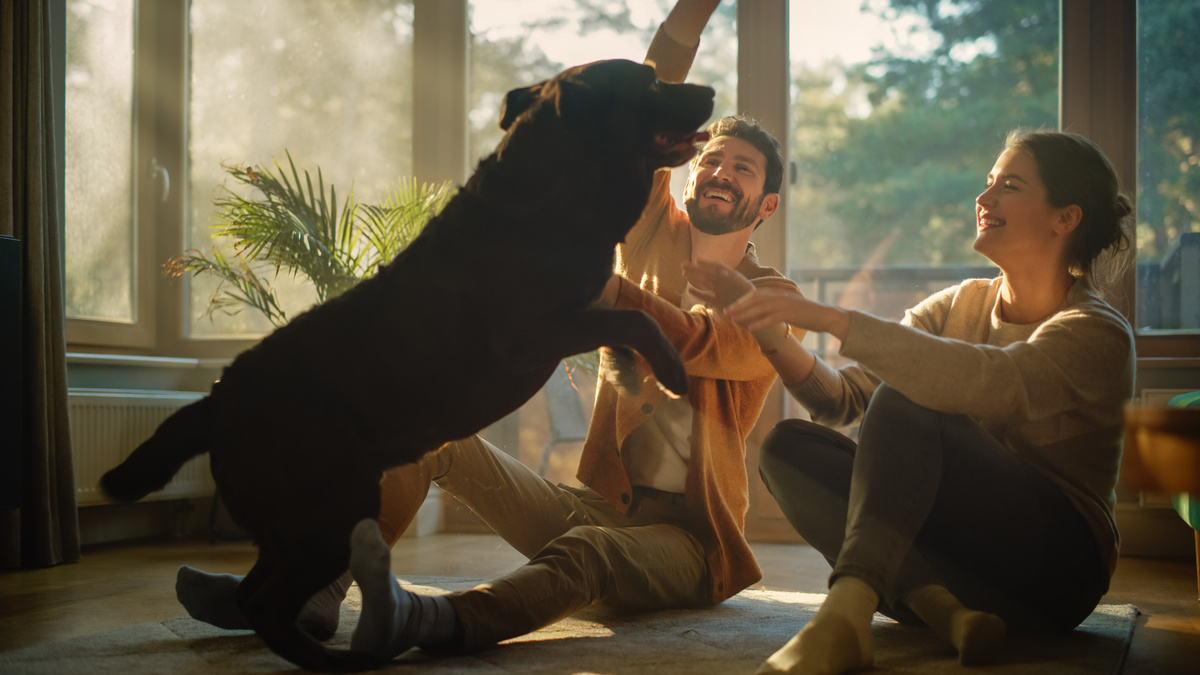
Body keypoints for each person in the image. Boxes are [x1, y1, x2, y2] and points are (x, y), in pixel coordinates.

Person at [176, 0, 806, 662]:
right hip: (597, 505)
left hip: (687, 544)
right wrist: (694, 11)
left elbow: (696, 341)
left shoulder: (776, 301)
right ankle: (306, 590)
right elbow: (649, 83)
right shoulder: (654, 228)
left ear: (765, 204)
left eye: (742, 168)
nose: (720, 172)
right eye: (715, 159)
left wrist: (607, 289)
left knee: (586, 554)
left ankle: (424, 619)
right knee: (429, 437)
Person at [684, 129, 1135, 675]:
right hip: (964, 571)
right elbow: (843, 402)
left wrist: (830, 319)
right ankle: (943, 612)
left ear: (1066, 217)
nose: (984, 199)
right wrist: (770, 330)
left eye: (1009, 186)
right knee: (787, 448)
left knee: (909, 395)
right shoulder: (960, 304)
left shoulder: (1097, 331)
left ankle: (846, 613)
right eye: (988, 183)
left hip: (1054, 577)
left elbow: (996, 383)